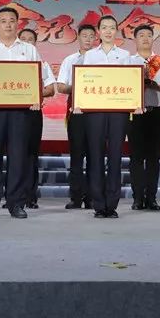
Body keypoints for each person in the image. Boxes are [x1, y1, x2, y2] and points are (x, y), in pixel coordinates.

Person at [0, 8, 54, 219]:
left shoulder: (29, 50)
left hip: (21, 112)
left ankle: (16, 203)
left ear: (18, 24)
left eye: (12, 20)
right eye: (3, 21)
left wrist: (36, 97)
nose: (8, 24)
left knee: (18, 157)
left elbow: (40, 78)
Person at [81, 15, 131, 218]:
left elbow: (130, 82)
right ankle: (99, 205)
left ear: (116, 31)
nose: (108, 31)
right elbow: (84, 81)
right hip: (95, 111)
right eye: (104, 27)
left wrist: (134, 103)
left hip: (119, 111)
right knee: (95, 156)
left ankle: (112, 204)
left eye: (112, 27)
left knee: (115, 156)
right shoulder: (90, 55)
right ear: (98, 32)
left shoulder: (125, 55)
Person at [128, 25, 160, 211]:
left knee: (153, 157)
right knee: (136, 157)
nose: (145, 38)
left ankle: (151, 198)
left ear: (153, 39)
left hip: (157, 112)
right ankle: (137, 198)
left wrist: (155, 85)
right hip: (135, 112)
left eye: (149, 35)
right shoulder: (128, 61)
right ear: (135, 39)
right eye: (141, 35)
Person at [56, 24, 97, 209]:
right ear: (78, 37)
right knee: (77, 155)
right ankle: (76, 197)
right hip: (77, 112)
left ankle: (92, 197)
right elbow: (61, 86)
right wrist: (80, 85)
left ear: (95, 38)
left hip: (97, 113)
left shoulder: (100, 59)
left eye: (91, 36)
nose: (88, 39)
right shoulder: (69, 60)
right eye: (84, 35)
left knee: (95, 155)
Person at [18, 28, 56, 209]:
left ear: (35, 43)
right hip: (13, 113)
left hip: (33, 112)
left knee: (31, 154)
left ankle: (30, 196)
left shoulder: (43, 65)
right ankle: (13, 195)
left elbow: (50, 89)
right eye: (23, 39)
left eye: (30, 39)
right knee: (14, 154)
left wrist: (32, 94)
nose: (26, 42)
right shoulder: (9, 64)